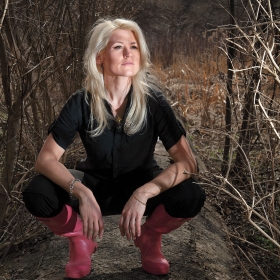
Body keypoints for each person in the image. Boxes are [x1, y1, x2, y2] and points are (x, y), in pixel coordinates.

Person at [22, 18, 206, 279]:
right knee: (37, 192)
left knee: (191, 195)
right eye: (119, 47)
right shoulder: (81, 101)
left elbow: (188, 164)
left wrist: (145, 193)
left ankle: (149, 238)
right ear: (100, 57)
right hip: (95, 187)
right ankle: (80, 240)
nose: (129, 53)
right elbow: (46, 160)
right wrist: (82, 193)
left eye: (134, 46)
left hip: (141, 184)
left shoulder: (154, 102)